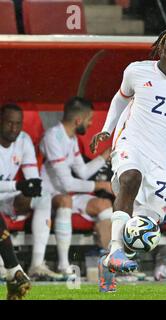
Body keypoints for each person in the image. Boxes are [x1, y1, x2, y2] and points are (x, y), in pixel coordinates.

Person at [90, 27, 166, 293]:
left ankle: (109, 264)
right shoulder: (136, 70)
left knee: (146, 227)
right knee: (130, 178)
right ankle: (113, 251)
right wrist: (107, 128)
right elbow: (120, 98)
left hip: (161, 159)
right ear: (160, 50)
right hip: (130, 143)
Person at [40, 97, 114, 278]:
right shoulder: (53, 136)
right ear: (78, 120)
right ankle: (64, 266)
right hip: (45, 197)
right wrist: (102, 184)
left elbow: (81, 172)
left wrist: (104, 156)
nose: (90, 125)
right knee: (65, 200)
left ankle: (110, 265)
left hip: (66, 193)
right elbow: (66, 183)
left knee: (104, 204)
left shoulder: (71, 139)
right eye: (89, 120)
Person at [0, 103, 65, 283]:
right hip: (8, 193)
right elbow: (20, 185)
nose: (14, 128)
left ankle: (37, 265)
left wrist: (33, 187)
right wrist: (19, 185)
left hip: (8, 199)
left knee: (43, 198)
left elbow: (31, 180)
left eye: (18, 123)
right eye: (9, 123)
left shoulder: (23, 139)